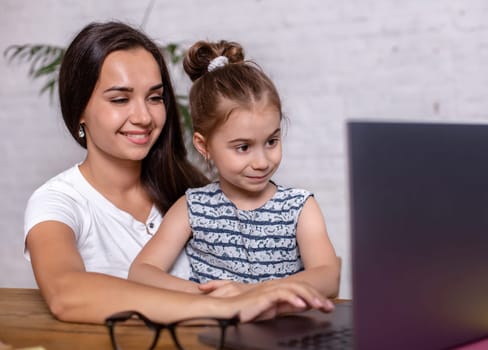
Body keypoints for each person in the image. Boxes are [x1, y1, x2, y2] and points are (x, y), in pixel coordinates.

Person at [23, 21, 334, 325]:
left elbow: (325, 274)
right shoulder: (58, 201)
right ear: (79, 108)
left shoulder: (191, 190)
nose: (143, 116)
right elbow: (66, 292)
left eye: (155, 97)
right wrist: (224, 305)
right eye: (120, 99)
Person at [128, 40, 340, 298]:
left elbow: (328, 277)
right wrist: (207, 293)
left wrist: (253, 293)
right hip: (213, 330)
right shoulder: (193, 207)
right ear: (204, 146)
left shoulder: (298, 207)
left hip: (284, 333)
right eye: (243, 147)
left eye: (271, 141)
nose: (262, 161)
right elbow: (141, 271)